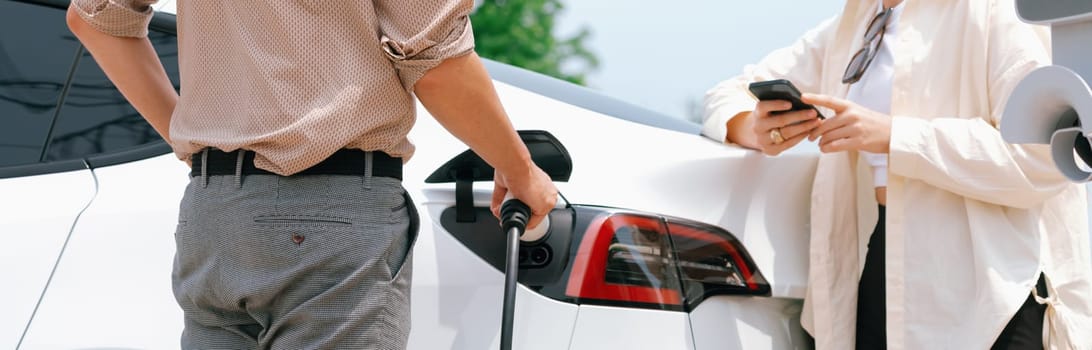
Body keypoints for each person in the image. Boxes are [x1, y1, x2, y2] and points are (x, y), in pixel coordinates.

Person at [67, 0, 557, 348]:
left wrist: (189, 140)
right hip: (328, 216)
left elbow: (94, 18)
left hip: (212, 216)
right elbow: (434, 61)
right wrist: (519, 169)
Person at [703, 0, 1092, 348]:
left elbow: (1042, 154)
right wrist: (754, 129)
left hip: (990, 280)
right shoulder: (857, 21)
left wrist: (894, 135)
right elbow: (727, 93)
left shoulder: (993, 9)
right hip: (885, 264)